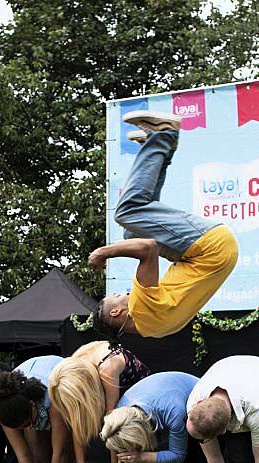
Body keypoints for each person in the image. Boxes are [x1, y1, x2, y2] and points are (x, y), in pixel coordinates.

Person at [90, 111, 239, 340]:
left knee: (133, 230)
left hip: (213, 256)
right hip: (210, 248)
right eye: (117, 296)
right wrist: (103, 253)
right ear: (116, 310)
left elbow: (142, 242)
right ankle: (163, 136)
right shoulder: (140, 309)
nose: (125, 293)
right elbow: (148, 248)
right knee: (127, 212)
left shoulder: (154, 330)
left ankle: (157, 148)